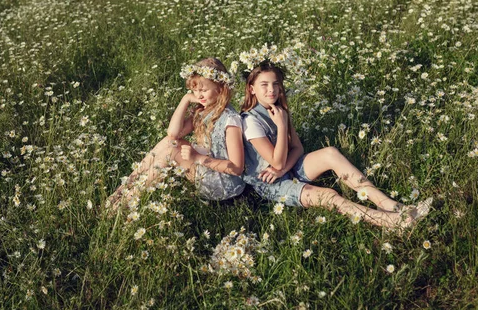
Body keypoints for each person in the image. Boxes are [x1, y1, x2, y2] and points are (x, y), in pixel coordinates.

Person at [240, 59, 430, 229]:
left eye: (275, 84)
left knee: (330, 152)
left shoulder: (279, 110)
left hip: (285, 168)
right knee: (329, 195)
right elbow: (276, 162)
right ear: (252, 88)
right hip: (270, 184)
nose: (271, 89)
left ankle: (391, 205)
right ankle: (391, 222)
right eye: (264, 85)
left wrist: (283, 168)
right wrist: (281, 128)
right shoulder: (251, 121)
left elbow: (298, 148)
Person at [107, 58, 245, 210]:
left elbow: (236, 168)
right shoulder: (204, 109)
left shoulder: (230, 120)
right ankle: (123, 188)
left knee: (172, 152)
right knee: (169, 142)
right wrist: (185, 100)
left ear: (220, 89)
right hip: (206, 169)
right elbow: (173, 134)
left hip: (223, 184)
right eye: (194, 91)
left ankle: (123, 204)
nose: (198, 96)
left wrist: (198, 158)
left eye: (203, 90)